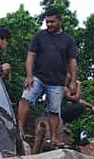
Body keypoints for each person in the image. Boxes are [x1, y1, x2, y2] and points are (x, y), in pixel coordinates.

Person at [18, 8, 78, 145]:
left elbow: (72, 61)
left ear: (59, 21)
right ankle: (19, 129)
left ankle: (54, 138)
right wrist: (29, 75)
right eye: (47, 22)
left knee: (54, 111)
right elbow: (30, 56)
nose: (49, 24)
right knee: (25, 98)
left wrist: (73, 81)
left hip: (57, 81)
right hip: (38, 77)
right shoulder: (40, 36)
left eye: (52, 22)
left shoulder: (68, 40)